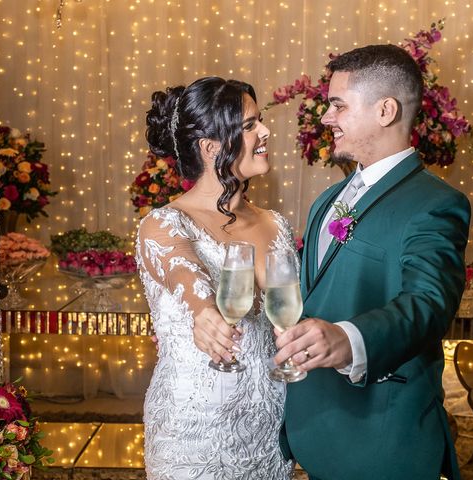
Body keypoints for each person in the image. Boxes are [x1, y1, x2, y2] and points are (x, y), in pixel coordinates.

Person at [274, 44, 470, 480]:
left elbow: (428, 305)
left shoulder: (436, 204)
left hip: (380, 438)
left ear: (385, 110)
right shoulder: (329, 199)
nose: (326, 118)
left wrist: (350, 339)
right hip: (319, 425)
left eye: (338, 105)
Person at [137, 76, 295, 479]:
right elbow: (184, 274)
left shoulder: (276, 225)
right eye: (249, 125)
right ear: (210, 147)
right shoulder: (164, 224)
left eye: (260, 121)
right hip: (197, 434)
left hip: (272, 429)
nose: (265, 131)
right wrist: (204, 313)